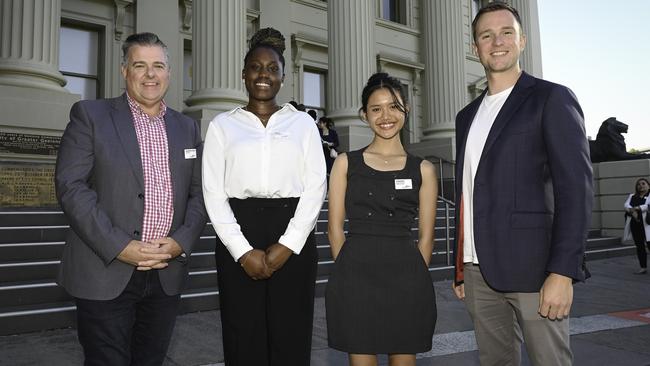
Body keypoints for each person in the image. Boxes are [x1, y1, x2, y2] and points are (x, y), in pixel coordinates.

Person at [452, 2, 593, 365]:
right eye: (486, 35)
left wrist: (562, 272)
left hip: (535, 271)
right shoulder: (465, 116)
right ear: (475, 48)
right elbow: (467, 192)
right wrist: (460, 266)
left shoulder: (551, 98)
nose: (497, 42)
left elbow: (574, 192)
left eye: (506, 33)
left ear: (522, 40)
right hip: (478, 274)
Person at [55, 32, 207, 365]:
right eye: (140, 65)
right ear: (125, 71)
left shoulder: (188, 129)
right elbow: (71, 186)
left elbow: (200, 193)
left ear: (169, 73)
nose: (150, 74)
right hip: (105, 270)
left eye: (158, 66)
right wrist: (121, 246)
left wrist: (180, 241)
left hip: (165, 272)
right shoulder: (90, 116)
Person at [202, 27, 326, 366]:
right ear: (244, 74)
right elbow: (212, 192)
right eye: (256, 67)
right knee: (243, 334)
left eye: (272, 69)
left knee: (292, 333)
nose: (263, 75)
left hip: (294, 233)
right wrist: (242, 252)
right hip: (238, 233)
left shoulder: (303, 124)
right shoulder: (222, 126)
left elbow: (316, 186)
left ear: (283, 77)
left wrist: (289, 244)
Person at [325, 72, 438, 366]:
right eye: (376, 109)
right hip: (356, 281)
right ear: (364, 115)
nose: (385, 116)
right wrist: (348, 273)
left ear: (406, 110)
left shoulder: (423, 169)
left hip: (406, 283)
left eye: (393, 106)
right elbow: (334, 229)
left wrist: (412, 277)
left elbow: (426, 236)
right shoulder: (345, 163)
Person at [623, 178, 650, 274]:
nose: (641, 186)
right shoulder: (632, 196)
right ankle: (643, 267)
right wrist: (631, 210)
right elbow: (626, 205)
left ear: (648, 185)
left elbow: (648, 206)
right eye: (639, 184)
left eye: (643, 183)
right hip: (635, 224)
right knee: (640, 246)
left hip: (647, 225)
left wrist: (638, 208)